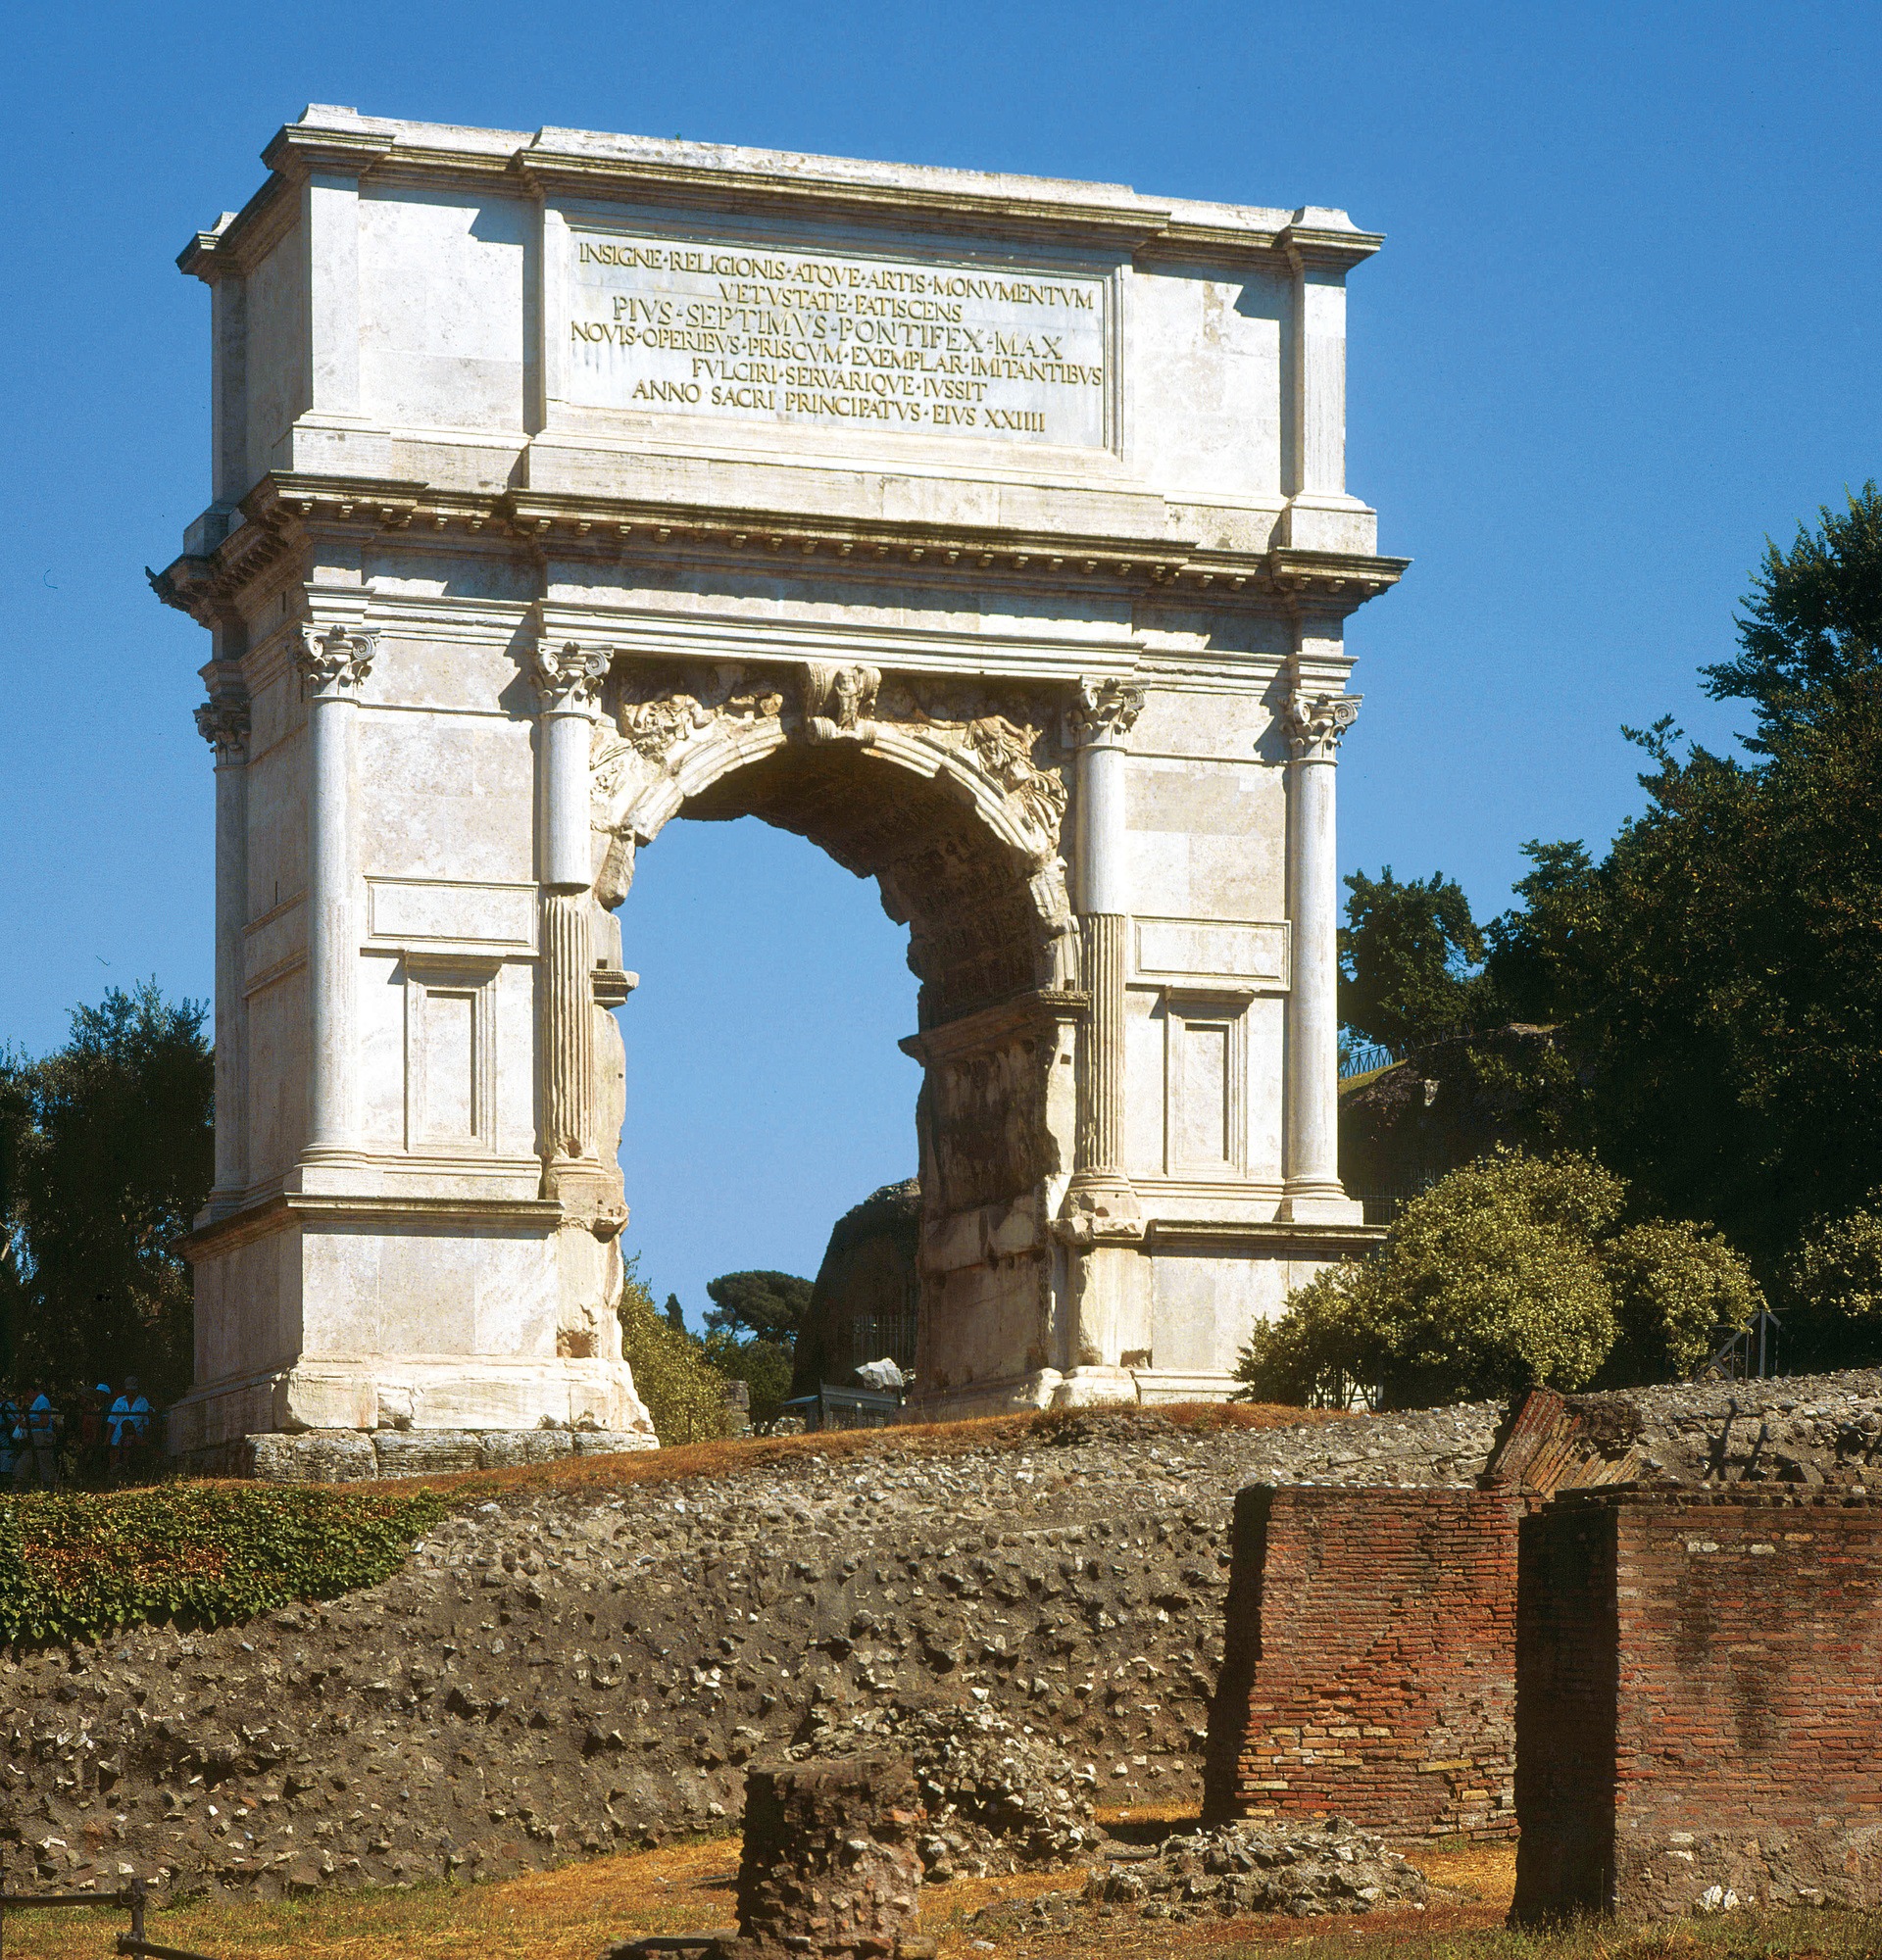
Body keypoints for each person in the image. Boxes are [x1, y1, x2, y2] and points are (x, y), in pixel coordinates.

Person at [110, 1377, 153, 1484]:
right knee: (115, 1465)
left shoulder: (143, 1402)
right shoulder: (119, 1401)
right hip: (117, 1439)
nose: (131, 1392)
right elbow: (111, 1421)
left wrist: (144, 1441)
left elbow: (146, 1423)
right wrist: (108, 1440)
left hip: (135, 1440)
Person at [24, 1385, 60, 1490]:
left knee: (45, 1462)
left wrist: (28, 1424)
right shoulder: (37, 1402)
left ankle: (50, 1488)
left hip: (41, 1435)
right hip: (35, 1436)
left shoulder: (42, 1400)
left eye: (26, 1395)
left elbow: (44, 1422)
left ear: (30, 1391)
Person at [78, 1384, 111, 1488]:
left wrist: (91, 1445)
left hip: (91, 1445)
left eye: (82, 1398)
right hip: (86, 1443)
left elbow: (95, 1431)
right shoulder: (86, 1413)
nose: (80, 1400)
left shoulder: (93, 1414)